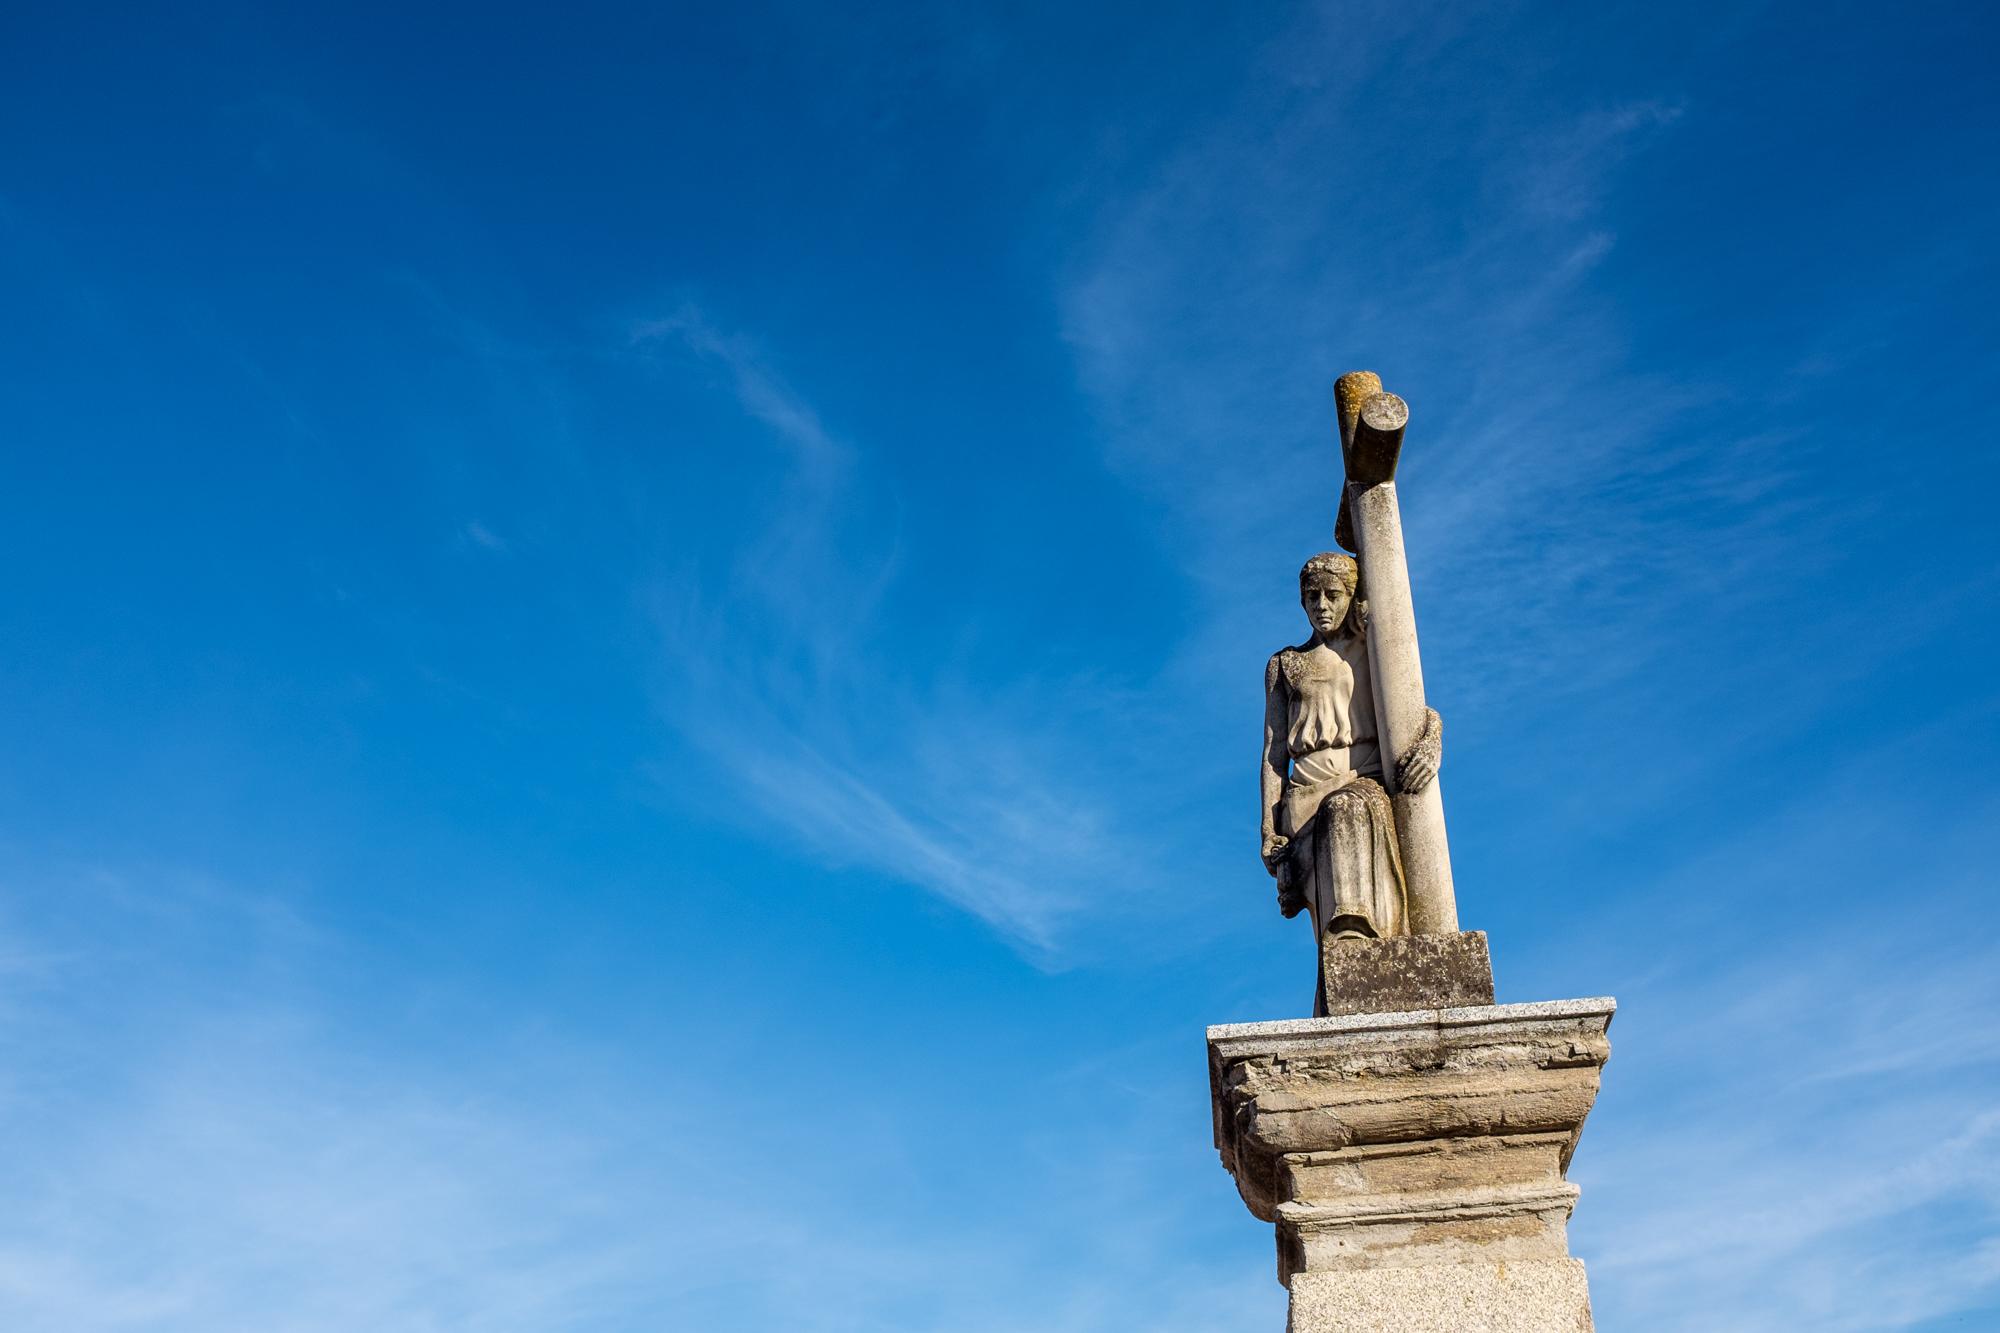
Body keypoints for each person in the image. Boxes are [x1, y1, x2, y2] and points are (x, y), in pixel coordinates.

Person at [1260, 552, 1441, 1011]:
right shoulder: (1286, 664)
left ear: (1352, 596)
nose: (1321, 605)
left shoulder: (1373, 649)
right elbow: (1273, 755)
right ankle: (1339, 998)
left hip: (1362, 781)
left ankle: (1357, 936)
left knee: (1347, 813)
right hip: (1303, 798)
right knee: (1324, 931)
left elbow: (1416, 708)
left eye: (1332, 595)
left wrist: (1432, 739)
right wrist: (1268, 827)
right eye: (1311, 597)